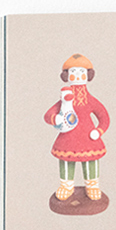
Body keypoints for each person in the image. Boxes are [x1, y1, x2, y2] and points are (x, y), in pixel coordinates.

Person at [43, 53, 109, 212]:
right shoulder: (64, 99)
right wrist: (55, 118)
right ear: (66, 75)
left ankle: (92, 185)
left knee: (91, 160)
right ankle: (66, 186)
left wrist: (98, 131)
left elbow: (104, 117)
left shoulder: (90, 100)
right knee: (66, 160)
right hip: (68, 138)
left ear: (88, 75)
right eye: (73, 72)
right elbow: (48, 114)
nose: (77, 75)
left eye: (81, 72)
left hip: (89, 138)